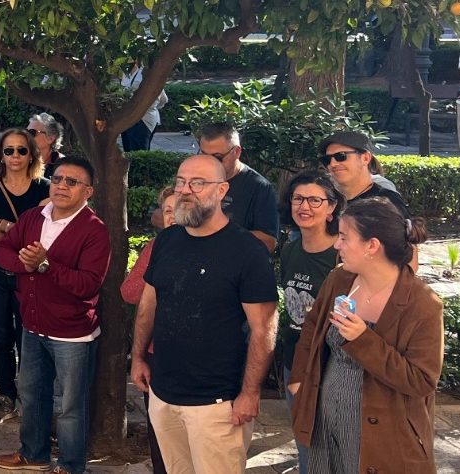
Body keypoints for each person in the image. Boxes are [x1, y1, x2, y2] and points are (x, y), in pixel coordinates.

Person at [130, 154, 278, 473]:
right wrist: (139, 357)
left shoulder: (247, 252)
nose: (186, 190)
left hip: (218, 404)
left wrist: (250, 393)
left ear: (221, 190)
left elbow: (263, 328)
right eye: (181, 181)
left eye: (198, 183)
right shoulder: (167, 240)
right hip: (163, 393)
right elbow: (148, 304)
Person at [288, 198, 439, 474]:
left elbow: (421, 381)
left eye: (344, 237)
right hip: (325, 425)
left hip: (383, 438)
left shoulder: (423, 304)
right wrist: (299, 378)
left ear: (372, 246)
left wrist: (362, 340)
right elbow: (311, 329)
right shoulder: (339, 279)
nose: (336, 244)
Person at [0, 158, 111, 474]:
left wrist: (46, 266)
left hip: (73, 334)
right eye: (57, 179)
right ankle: (34, 455)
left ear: (89, 191)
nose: (62, 186)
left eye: (73, 181)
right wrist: (24, 264)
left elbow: (88, 285)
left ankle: (70, 467)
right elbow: (1, 249)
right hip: (33, 326)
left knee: (70, 407)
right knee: (31, 395)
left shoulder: (94, 231)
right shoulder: (33, 217)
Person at [0, 128, 50, 426]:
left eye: (21, 150)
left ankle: (30, 398)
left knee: (28, 336)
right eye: (9, 150)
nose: (15, 156)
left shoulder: (45, 189)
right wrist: (17, 231)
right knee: (2, 336)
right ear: (0, 155)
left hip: (29, 276)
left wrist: (3, 225)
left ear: (32, 154)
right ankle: (6, 396)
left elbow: (44, 236)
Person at [273, 170, 346, 474]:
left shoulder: (342, 256)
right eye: (298, 199)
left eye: (315, 200)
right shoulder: (290, 249)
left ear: (331, 208)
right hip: (295, 359)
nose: (305, 206)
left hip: (330, 365)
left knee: (333, 447)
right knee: (305, 442)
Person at [120, 186, 176, 474]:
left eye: (180, 210)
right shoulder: (157, 247)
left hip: (202, 364)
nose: (174, 217)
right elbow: (129, 292)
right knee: (159, 434)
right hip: (156, 354)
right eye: (168, 211)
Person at [196, 122, 279, 252]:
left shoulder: (259, 187)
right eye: (203, 155)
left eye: (217, 157)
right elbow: (157, 216)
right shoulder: (192, 176)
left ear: (237, 152)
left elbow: (269, 242)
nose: (210, 163)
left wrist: (217, 232)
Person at [320, 131, 409, 218]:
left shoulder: (387, 202)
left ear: (365, 158)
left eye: (340, 156)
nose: (332, 164)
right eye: (326, 160)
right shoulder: (325, 201)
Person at [121, 62, 169, 152]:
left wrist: (148, 108)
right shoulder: (126, 74)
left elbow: (163, 99)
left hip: (142, 120)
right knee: (129, 154)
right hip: (128, 119)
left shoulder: (146, 74)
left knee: (138, 155)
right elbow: (164, 99)